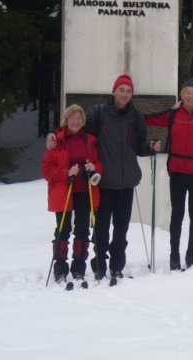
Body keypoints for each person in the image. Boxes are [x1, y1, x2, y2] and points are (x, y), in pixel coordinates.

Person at [47, 74, 154, 280]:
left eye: (128, 91)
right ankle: (100, 265)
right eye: (121, 90)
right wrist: (53, 135)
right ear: (114, 91)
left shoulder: (136, 117)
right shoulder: (100, 113)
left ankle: (117, 266)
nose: (124, 94)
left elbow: (139, 145)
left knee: (121, 229)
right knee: (101, 228)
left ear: (132, 94)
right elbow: (76, 129)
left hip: (127, 182)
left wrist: (149, 147)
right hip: (103, 182)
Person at [145, 77, 193, 270]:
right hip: (177, 171)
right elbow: (147, 119)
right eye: (187, 92)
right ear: (181, 95)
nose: (190, 96)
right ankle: (174, 255)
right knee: (177, 214)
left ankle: (191, 254)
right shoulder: (172, 115)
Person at [41, 104, 102, 283]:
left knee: (82, 230)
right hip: (64, 191)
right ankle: (60, 267)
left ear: (83, 121)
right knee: (62, 230)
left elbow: (98, 162)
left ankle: (78, 267)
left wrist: (95, 167)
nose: (75, 121)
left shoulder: (90, 140)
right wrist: (66, 172)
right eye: (72, 117)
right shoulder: (56, 141)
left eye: (79, 118)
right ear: (66, 120)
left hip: (84, 190)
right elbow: (46, 169)